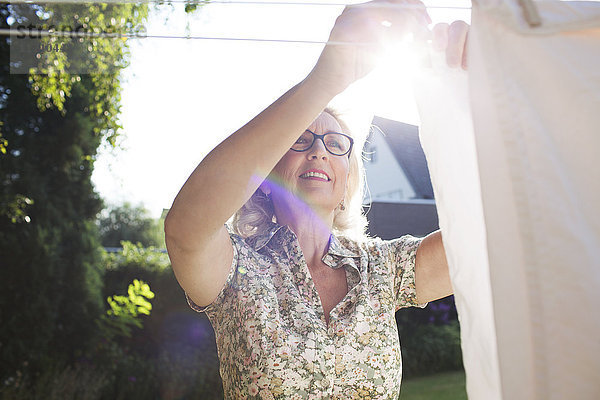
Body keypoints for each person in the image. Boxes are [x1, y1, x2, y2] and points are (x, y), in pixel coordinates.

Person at [164, 0, 468, 398]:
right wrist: (327, 78)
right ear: (265, 176)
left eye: (336, 144)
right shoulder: (237, 270)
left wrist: (490, 89)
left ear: (346, 185)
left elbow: (492, 239)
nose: (319, 150)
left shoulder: (383, 269)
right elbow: (186, 228)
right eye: (301, 140)